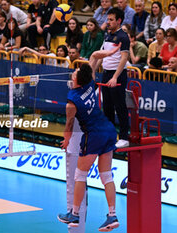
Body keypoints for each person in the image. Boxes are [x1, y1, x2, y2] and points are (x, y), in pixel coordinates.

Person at [58, 50, 120, 232]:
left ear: (77, 79)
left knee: (80, 175)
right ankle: (112, 215)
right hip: (108, 130)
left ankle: (74, 215)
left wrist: (66, 140)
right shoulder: (89, 84)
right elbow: (94, 56)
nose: (74, 71)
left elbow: (69, 124)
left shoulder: (72, 101)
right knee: (106, 175)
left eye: (76, 71)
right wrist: (111, 52)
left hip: (93, 135)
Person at [92, 7, 130, 149]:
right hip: (106, 73)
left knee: (119, 106)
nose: (108, 22)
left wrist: (115, 77)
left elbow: (124, 59)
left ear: (119, 21)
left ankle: (124, 137)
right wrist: (94, 70)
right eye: (107, 19)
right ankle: (109, 135)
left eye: (111, 20)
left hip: (117, 75)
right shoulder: (107, 35)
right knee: (107, 106)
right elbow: (103, 55)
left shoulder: (123, 37)